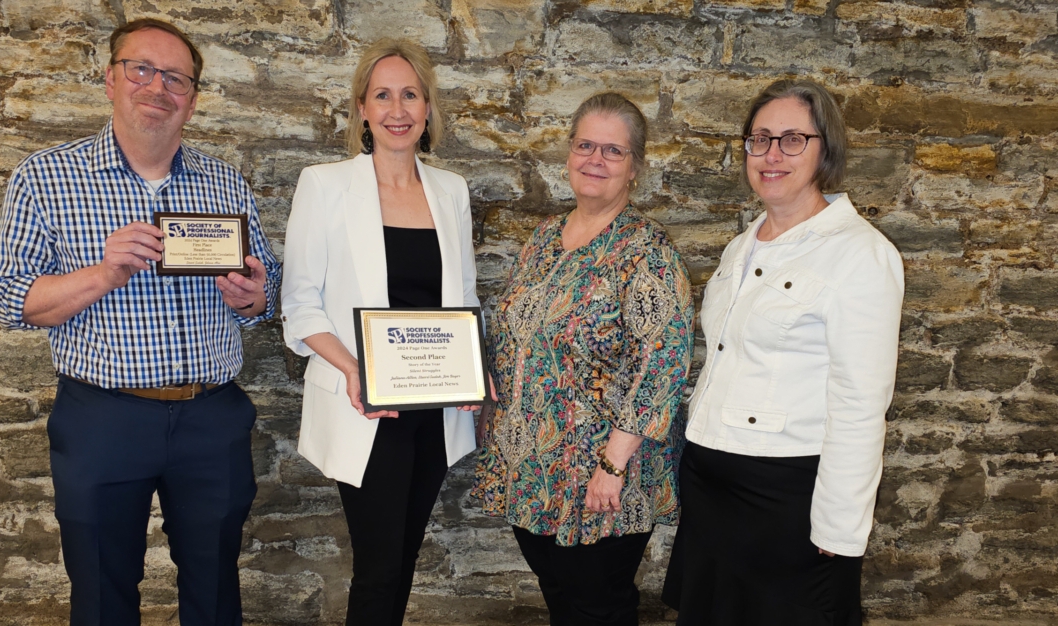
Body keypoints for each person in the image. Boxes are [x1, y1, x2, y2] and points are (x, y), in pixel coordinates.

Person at [0, 18, 282, 626]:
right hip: (101, 419)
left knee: (216, 587)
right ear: (111, 79)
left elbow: (265, 298)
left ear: (191, 100)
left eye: (175, 78)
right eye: (141, 70)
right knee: (99, 589)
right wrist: (101, 274)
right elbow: (8, 298)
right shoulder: (45, 178)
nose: (157, 87)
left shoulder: (225, 182)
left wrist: (252, 295)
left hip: (210, 416)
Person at [660, 79, 904, 625]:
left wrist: (839, 529)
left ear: (826, 150)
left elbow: (861, 402)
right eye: (760, 138)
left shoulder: (861, 255)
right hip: (711, 480)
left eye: (793, 139)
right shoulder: (742, 245)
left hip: (785, 495)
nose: (772, 154)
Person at [472, 92, 694, 626]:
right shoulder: (544, 238)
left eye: (612, 151)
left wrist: (613, 466)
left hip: (604, 474)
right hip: (531, 466)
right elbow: (516, 332)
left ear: (635, 167)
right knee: (561, 597)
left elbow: (661, 365)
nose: (595, 159)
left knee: (599, 606)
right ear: (569, 153)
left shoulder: (649, 252)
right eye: (585, 145)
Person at [279, 39, 481, 626]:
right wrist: (353, 370)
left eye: (410, 95)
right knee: (377, 568)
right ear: (362, 109)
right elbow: (300, 303)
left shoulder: (451, 191)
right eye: (383, 95)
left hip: (435, 405)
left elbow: (463, 298)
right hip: (365, 406)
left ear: (427, 108)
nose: (398, 109)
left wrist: (474, 369)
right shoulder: (325, 185)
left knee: (404, 558)